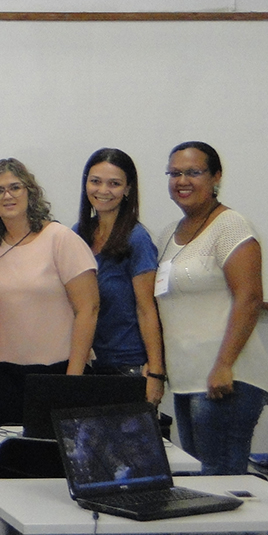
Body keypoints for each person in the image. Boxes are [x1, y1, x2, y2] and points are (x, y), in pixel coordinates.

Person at [155, 141, 268, 475]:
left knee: (220, 480)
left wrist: (223, 365)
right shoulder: (168, 234)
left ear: (216, 176)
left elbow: (249, 299)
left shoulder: (231, 226)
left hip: (225, 380)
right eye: (174, 173)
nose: (182, 181)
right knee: (201, 479)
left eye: (193, 172)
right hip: (186, 381)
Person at [0, 158, 98, 425]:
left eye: (15, 187)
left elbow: (88, 309)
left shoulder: (60, 238)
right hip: (2, 376)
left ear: (30, 192)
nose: (7, 196)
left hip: (56, 374)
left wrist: (73, 379)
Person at [74, 148, 165, 404]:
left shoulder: (137, 239)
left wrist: (156, 373)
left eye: (114, 184)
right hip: (87, 364)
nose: (103, 190)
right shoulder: (78, 234)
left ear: (127, 189)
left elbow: (147, 309)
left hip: (127, 366)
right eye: (95, 181)